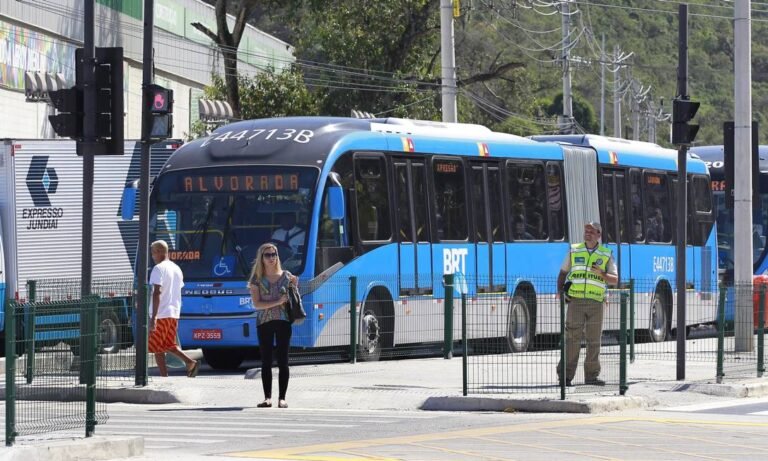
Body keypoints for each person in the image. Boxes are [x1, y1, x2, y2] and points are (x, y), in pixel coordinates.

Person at [556, 221, 618, 387]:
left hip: (596, 303)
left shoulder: (606, 254)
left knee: (594, 341)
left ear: (599, 234)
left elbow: (615, 279)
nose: (587, 233)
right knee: (572, 339)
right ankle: (565, 376)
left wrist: (602, 273)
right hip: (575, 302)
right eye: (586, 231)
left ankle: (591, 377)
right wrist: (560, 291)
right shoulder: (575, 250)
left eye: (591, 231)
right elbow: (563, 273)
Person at [247, 242, 298, 408]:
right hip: (264, 322)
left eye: (274, 254)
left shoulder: (287, 276)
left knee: (283, 361)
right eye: (267, 255)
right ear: (261, 258)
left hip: (283, 321)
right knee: (266, 361)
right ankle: (267, 397)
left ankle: (282, 398)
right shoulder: (256, 280)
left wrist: (294, 287)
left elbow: (294, 299)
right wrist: (277, 301)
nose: (271, 258)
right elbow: (257, 304)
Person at [148, 240, 199, 378]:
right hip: (174, 313)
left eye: (153, 253)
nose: (152, 256)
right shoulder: (177, 268)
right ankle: (190, 362)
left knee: (157, 348)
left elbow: (157, 292)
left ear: (159, 251)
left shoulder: (158, 269)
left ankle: (164, 377)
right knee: (168, 344)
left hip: (161, 313)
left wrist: (154, 317)